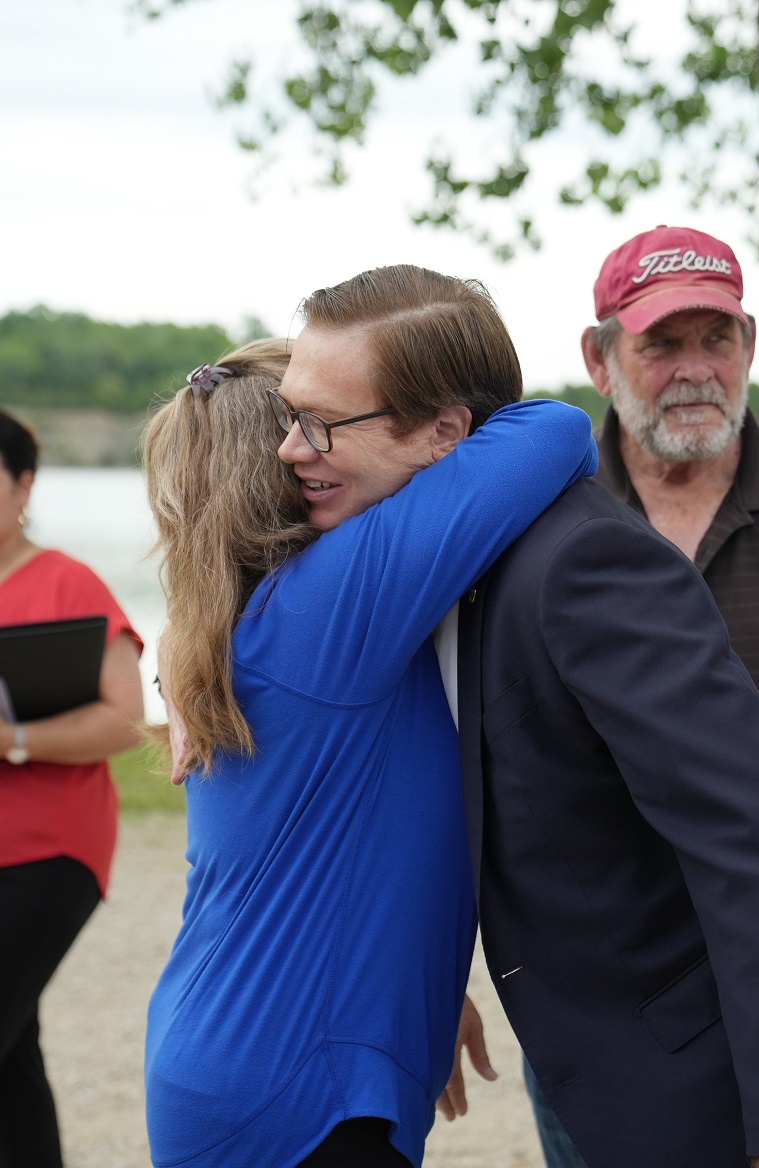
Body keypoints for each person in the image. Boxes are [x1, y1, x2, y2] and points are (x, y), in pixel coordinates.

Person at [141, 322, 596, 1168]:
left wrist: (408, 990)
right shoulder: (325, 607)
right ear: (285, 469)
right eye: (312, 423)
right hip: (295, 1085)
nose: (318, 439)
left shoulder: (245, 627)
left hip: (241, 1050)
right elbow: (555, 429)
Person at [512, 223, 759, 1168]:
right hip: (604, 1000)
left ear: (749, 344)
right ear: (599, 358)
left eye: (717, 339)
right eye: (661, 343)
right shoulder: (532, 521)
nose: (695, 370)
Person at [0, 409, 144, 1168]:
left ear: (24, 485)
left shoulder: (67, 583)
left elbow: (125, 719)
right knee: (12, 1055)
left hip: (46, 852)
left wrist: (14, 741)